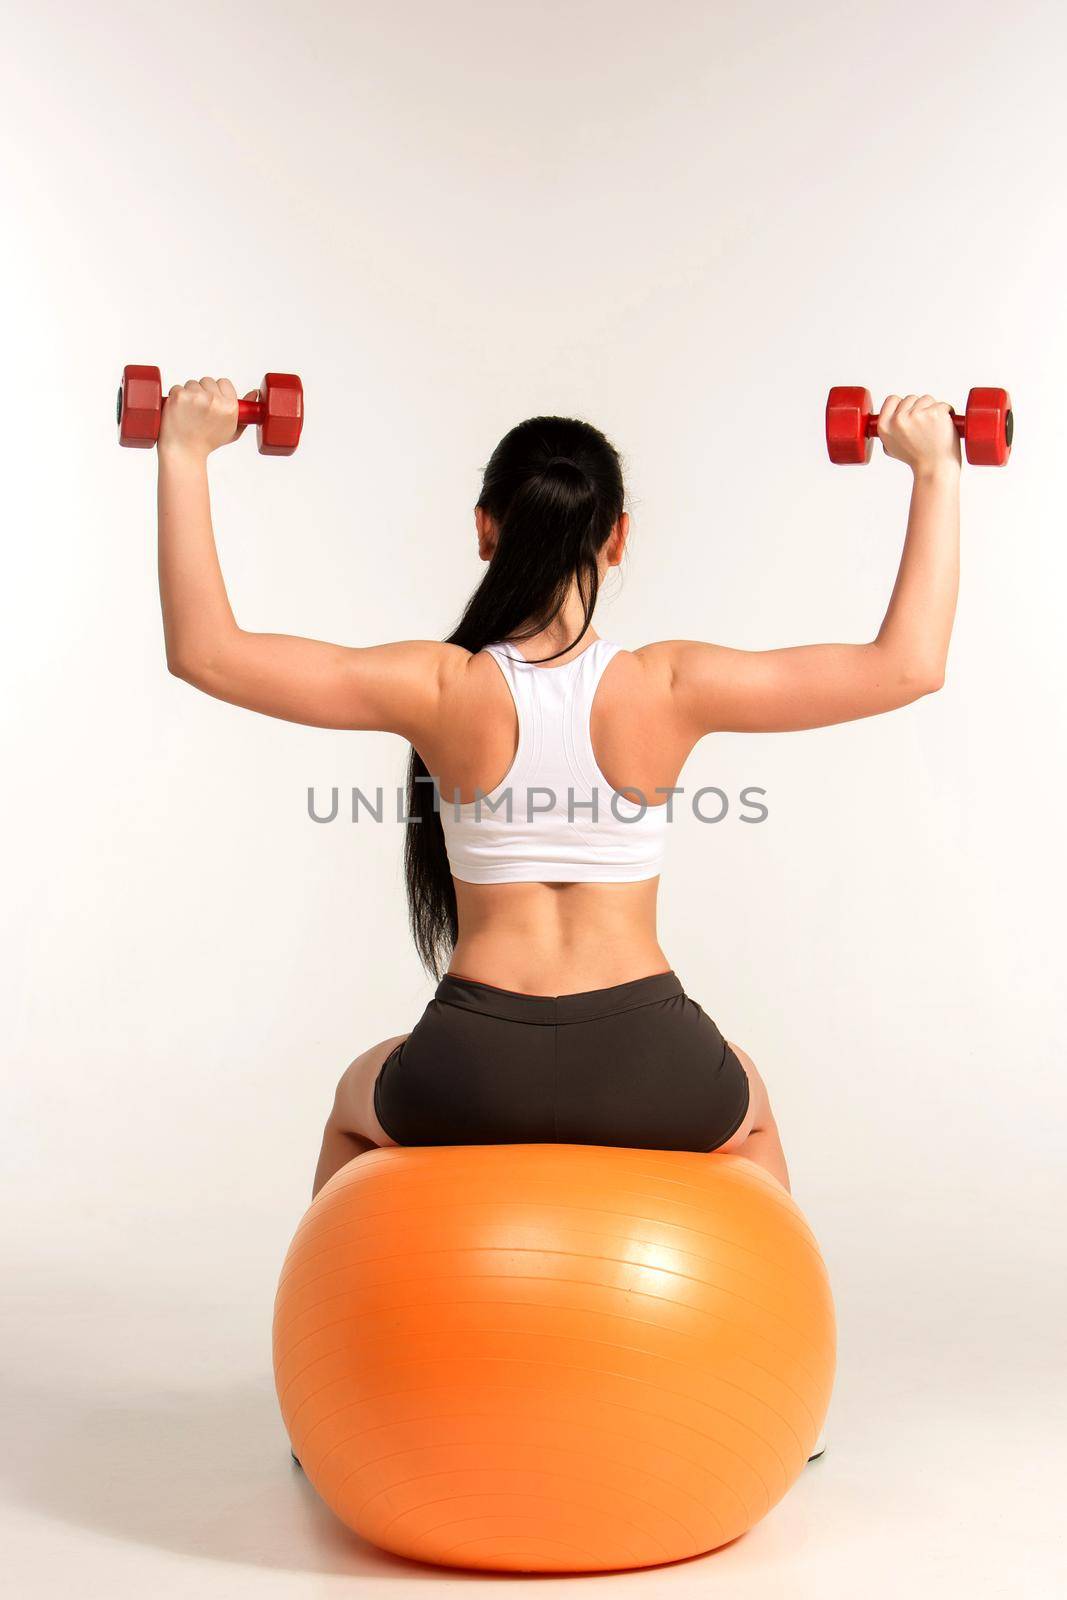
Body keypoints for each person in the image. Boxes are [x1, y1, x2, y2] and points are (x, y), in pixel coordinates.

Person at [156, 379, 960, 1205]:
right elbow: (908, 666)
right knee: (749, 1112)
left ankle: (332, 1331)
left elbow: (207, 652)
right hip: (650, 1055)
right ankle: (782, 1335)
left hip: (471, 1062)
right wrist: (933, 470)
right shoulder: (671, 684)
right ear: (616, 538)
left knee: (354, 1104)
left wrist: (184, 451)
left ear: (484, 530)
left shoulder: (435, 686)